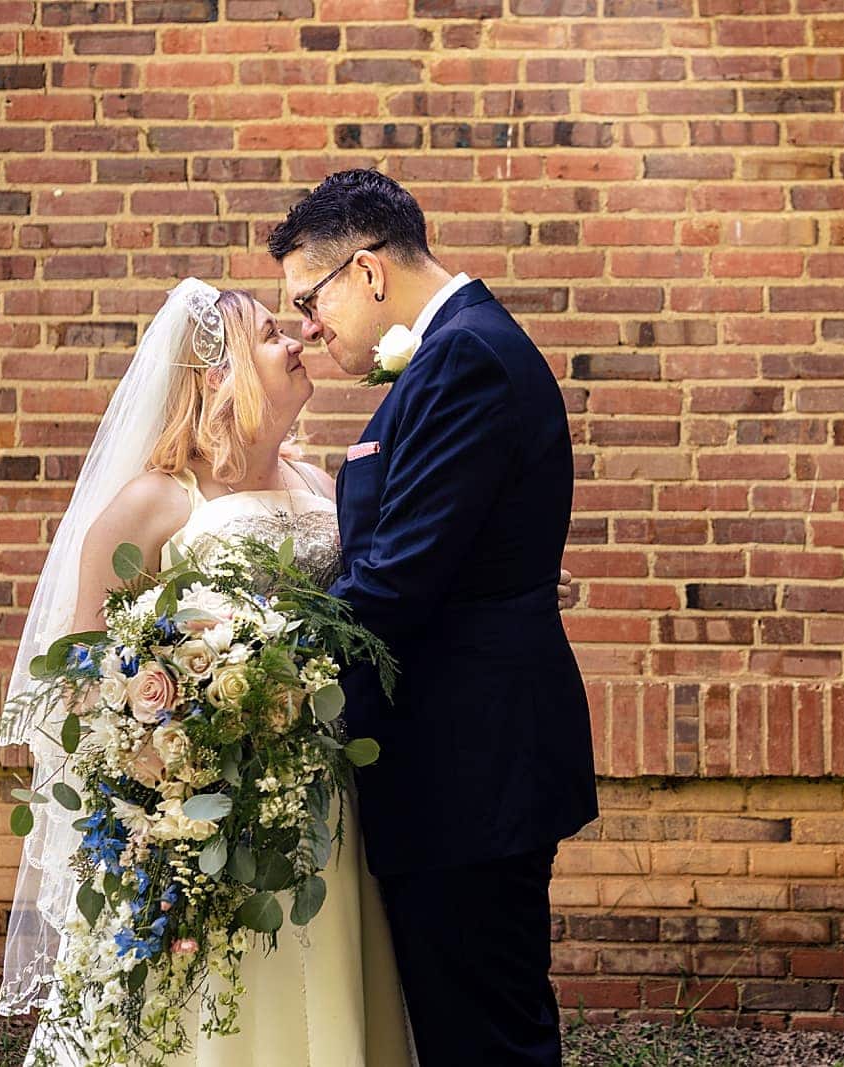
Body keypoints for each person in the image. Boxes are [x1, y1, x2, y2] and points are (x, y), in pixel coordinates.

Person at [0, 274, 576, 1065]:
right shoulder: (155, 502)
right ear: (218, 373)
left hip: (328, 799)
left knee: (326, 988)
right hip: (209, 808)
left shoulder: (323, 488)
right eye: (272, 333)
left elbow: (390, 588)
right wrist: (164, 758)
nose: (296, 339)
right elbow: (83, 668)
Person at [271, 169, 599, 1066]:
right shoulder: (453, 350)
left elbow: (396, 580)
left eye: (310, 298)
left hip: (470, 764)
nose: (307, 327)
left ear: (368, 273)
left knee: (484, 1041)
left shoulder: (466, 359)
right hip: (454, 764)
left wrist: (246, 667)